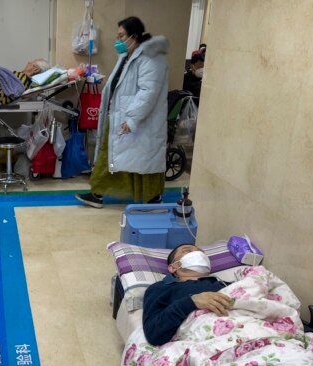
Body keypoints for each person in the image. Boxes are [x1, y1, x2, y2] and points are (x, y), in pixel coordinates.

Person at [75, 16, 169, 208]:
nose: (117, 40)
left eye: (121, 36)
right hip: (120, 116)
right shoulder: (127, 56)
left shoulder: (150, 58)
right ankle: (98, 193)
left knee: (143, 160)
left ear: (133, 36)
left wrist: (132, 118)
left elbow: (148, 92)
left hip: (140, 120)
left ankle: (152, 197)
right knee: (111, 157)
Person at [142, 244, 233, 346]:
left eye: (201, 252)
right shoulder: (160, 288)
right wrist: (192, 302)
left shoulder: (225, 284)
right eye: (188, 251)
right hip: (202, 341)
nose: (198, 254)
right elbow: (153, 333)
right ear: (173, 267)